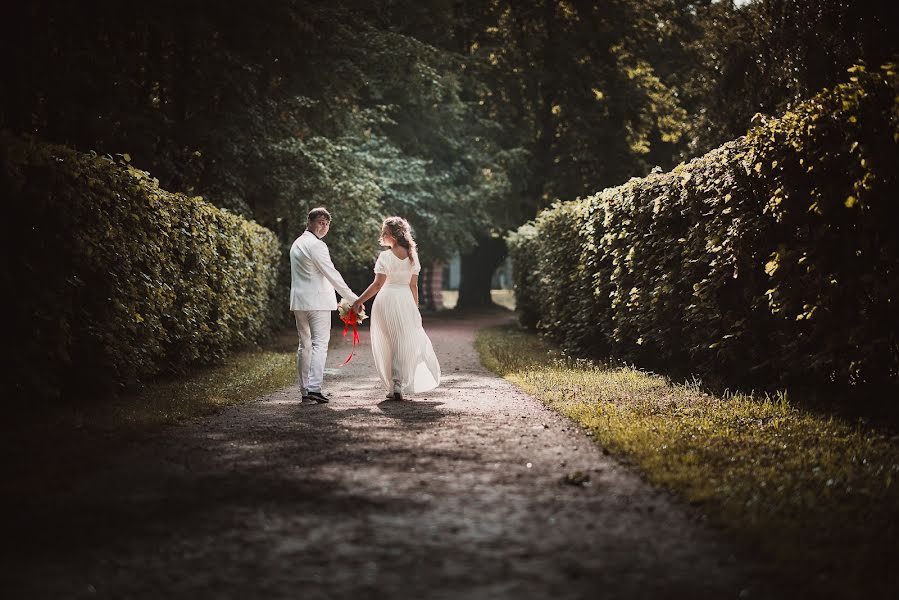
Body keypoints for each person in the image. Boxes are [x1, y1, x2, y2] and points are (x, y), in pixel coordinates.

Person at [352, 217, 440, 400]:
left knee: (388, 342)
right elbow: (414, 286)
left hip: (386, 300)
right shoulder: (412, 256)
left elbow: (377, 285)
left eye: (384, 232)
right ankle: (398, 383)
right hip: (406, 301)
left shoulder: (385, 257)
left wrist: (358, 301)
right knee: (402, 341)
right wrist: (415, 308)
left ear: (392, 235)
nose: (381, 235)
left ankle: (393, 386)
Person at [290, 207, 358, 403]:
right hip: (317, 302)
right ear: (309, 222)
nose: (324, 227)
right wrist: (353, 300)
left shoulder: (297, 243)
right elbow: (332, 274)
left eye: (327, 224)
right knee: (319, 344)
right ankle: (314, 388)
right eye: (321, 222)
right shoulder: (316, 245)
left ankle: (305, 390)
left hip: (299, 302)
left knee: (305, 345)